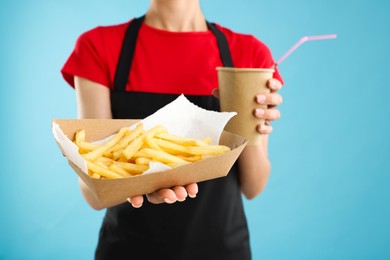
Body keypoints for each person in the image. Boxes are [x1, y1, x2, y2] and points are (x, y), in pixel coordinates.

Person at [61, 0, 283, 259]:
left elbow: (253, 186)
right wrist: (147, 182)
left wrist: (250, 118)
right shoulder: (100, 46)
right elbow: (93, 194)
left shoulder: (248, 53)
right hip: (128, 249)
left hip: (222, 248)